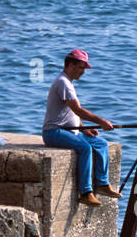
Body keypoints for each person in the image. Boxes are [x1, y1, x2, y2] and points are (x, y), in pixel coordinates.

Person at [41, 49, 119, 207]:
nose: (83, 72)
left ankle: (103, 184)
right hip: (53, 132)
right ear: (71, 65)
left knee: (101, 143)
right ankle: (85, 192)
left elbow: (71, 114)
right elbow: (77, 109)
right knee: (84, 148)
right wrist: (101, 121)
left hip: (71, 130)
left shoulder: (67, 83)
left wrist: (84, 129)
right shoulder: (63, 82)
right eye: (81, 67)